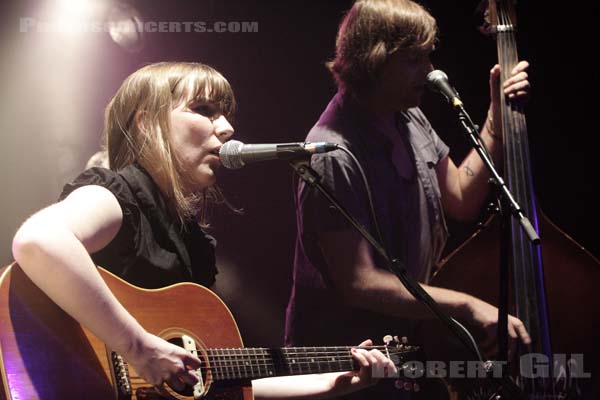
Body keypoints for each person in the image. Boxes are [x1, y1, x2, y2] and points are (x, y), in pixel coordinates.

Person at [11, 61, 397, 399]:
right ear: (147, 123)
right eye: (204, 110)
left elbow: (210, 378)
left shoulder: (192, 244)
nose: (227, 128)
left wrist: (334, 384)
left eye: (225, 114)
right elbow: (39, 241)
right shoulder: (118, 195)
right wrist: (138, 347)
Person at [285, 0, 532, 396]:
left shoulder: (408, 115)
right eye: (414, 59)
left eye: (428, 56)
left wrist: (494, 120)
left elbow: (460, 198)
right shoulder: (330, 152)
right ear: (374, 61)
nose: (430, 70)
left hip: (401, 350)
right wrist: (467, 305)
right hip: (342, 364)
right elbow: (358, 282)